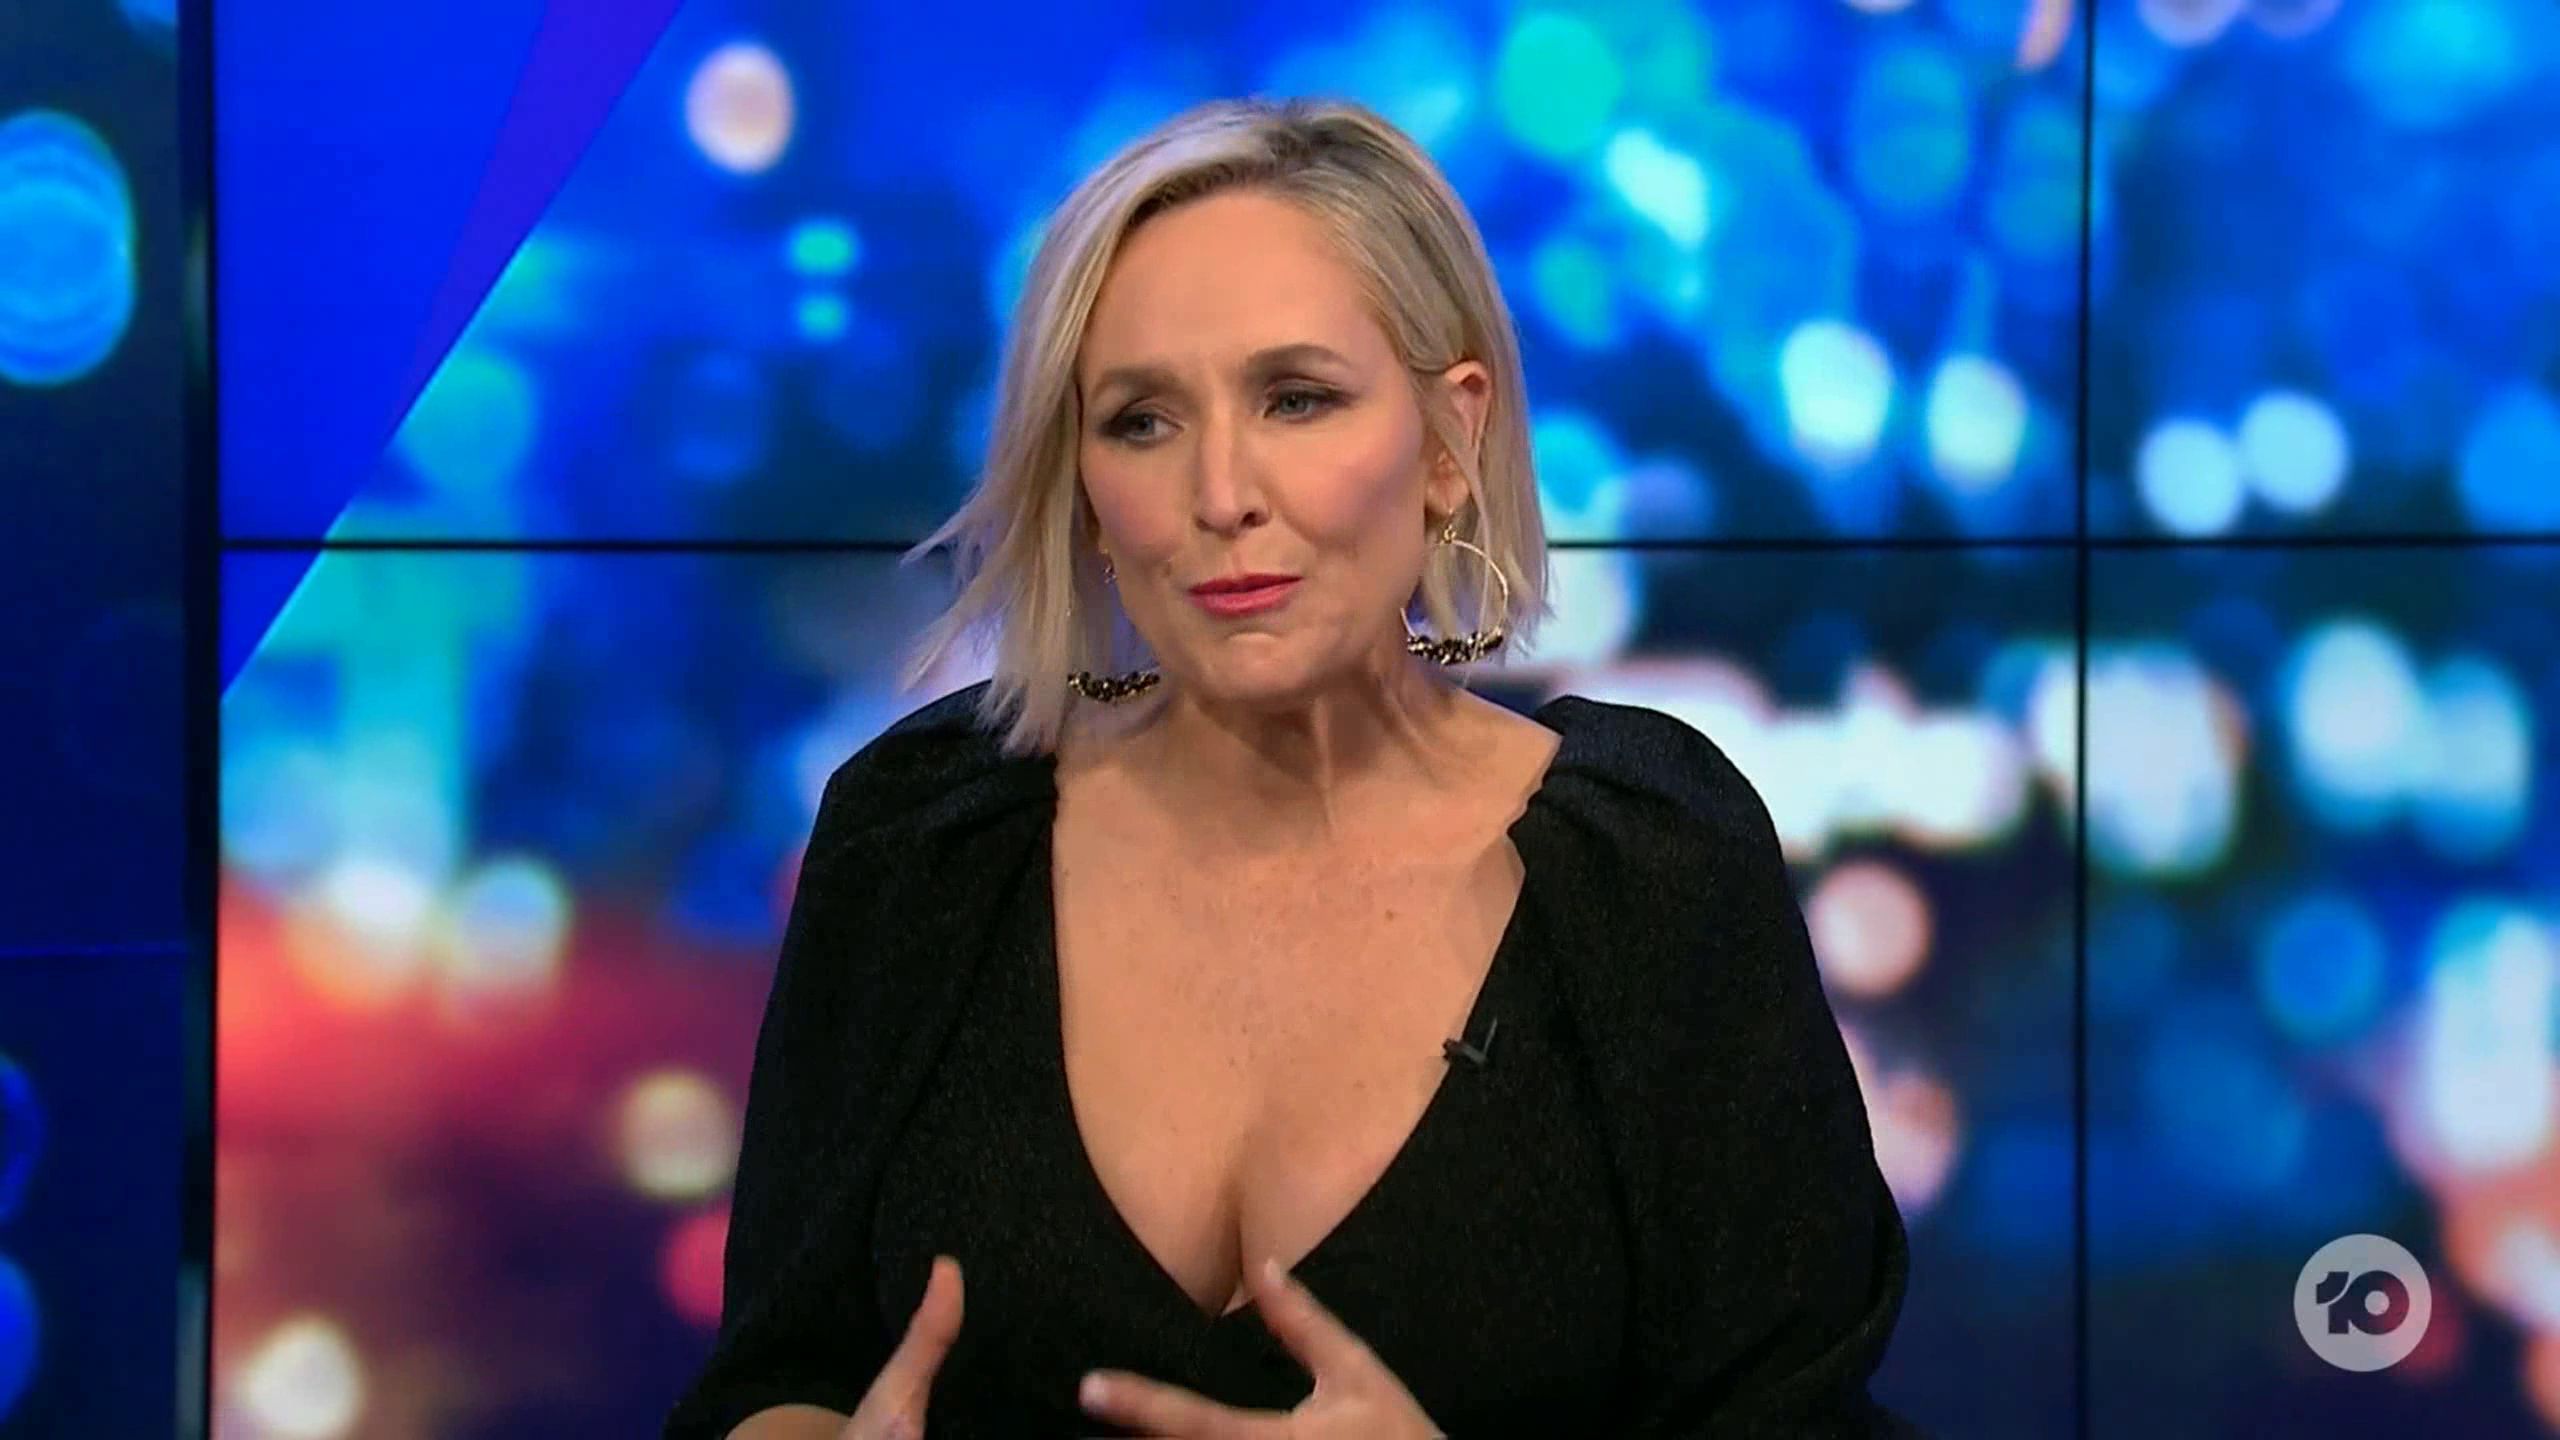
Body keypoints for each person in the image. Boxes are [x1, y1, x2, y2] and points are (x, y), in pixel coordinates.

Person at [663, 96, 1916, 1440]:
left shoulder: (1651, 864)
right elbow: (777, 1380)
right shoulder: (922, 841)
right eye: (1142, 421)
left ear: (1451, 442)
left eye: (1297, 399)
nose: (1221, 495)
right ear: (1083, 485)